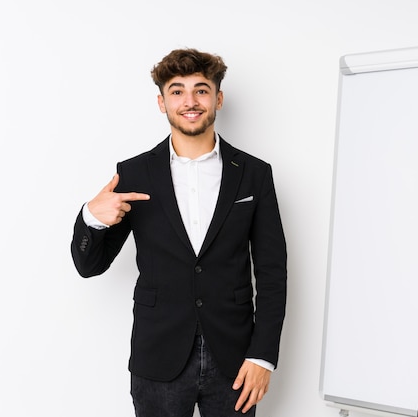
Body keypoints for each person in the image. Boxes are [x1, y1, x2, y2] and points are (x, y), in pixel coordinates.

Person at [70, 48, 287, 417]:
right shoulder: (135, 173)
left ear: (218, 98)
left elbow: (272, 271)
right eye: (177, 91)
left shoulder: (253, 173)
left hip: (235, 360)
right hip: (158, 357)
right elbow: (89, 266)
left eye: (201, 90)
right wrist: (91, 217)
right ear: (161, 102)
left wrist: (263, 356)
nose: (190, 101)